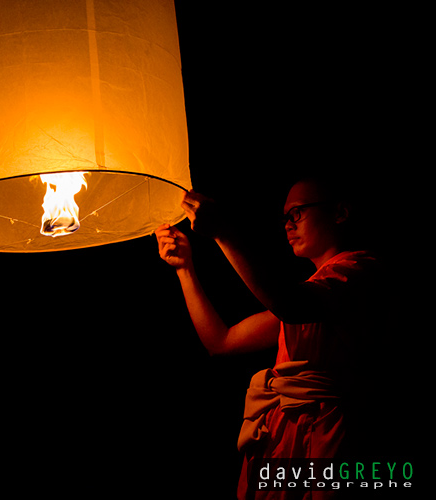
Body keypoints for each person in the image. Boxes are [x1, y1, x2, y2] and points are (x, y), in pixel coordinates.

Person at [156, 177, 389, 499]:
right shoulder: (313, 292)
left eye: (297, 213)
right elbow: (221, 342)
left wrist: (223, 232)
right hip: (289, 437)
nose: (288, 226)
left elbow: (290, 305)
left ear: (340, 212)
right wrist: (185, 269)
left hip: (335, 438)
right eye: (284, 218)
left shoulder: (360, 272)